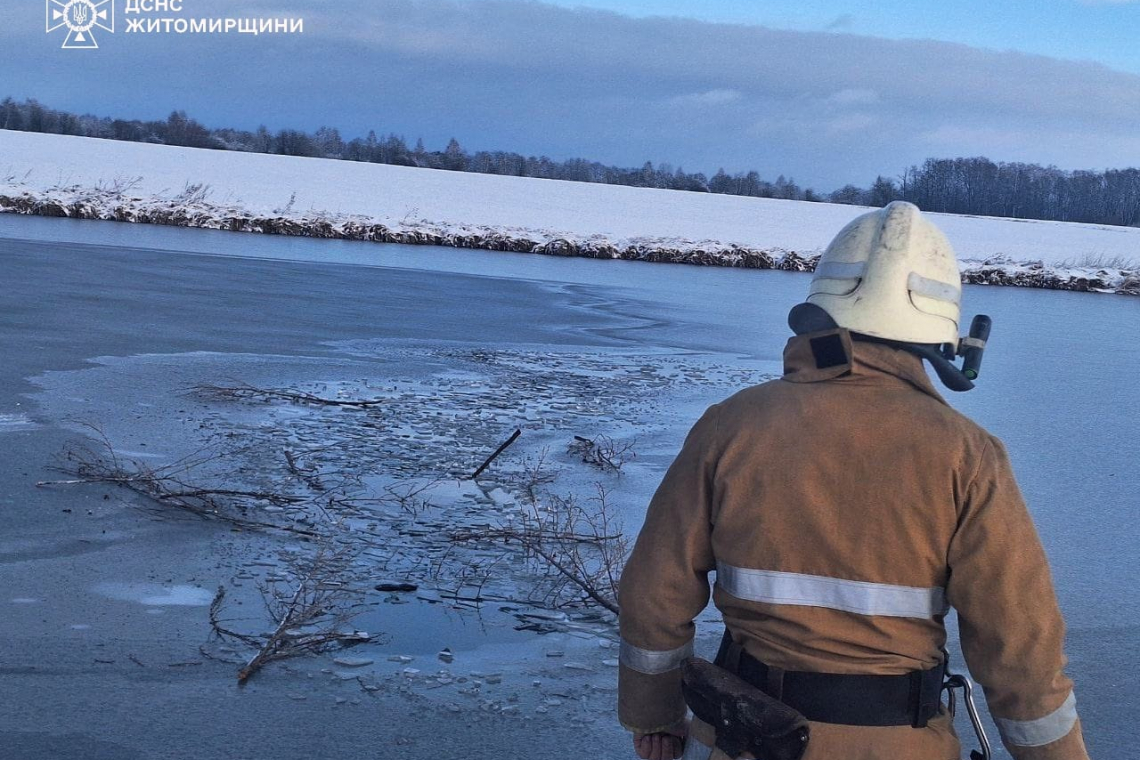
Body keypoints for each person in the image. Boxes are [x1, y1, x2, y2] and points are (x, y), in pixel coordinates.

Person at [617, 202, 1089, 760]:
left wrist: (658, 716)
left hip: (743, 736)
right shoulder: (969, 455)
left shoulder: (733, 424)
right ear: (943, 332)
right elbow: (1020, 647)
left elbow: (654, 595)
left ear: (822, 310)